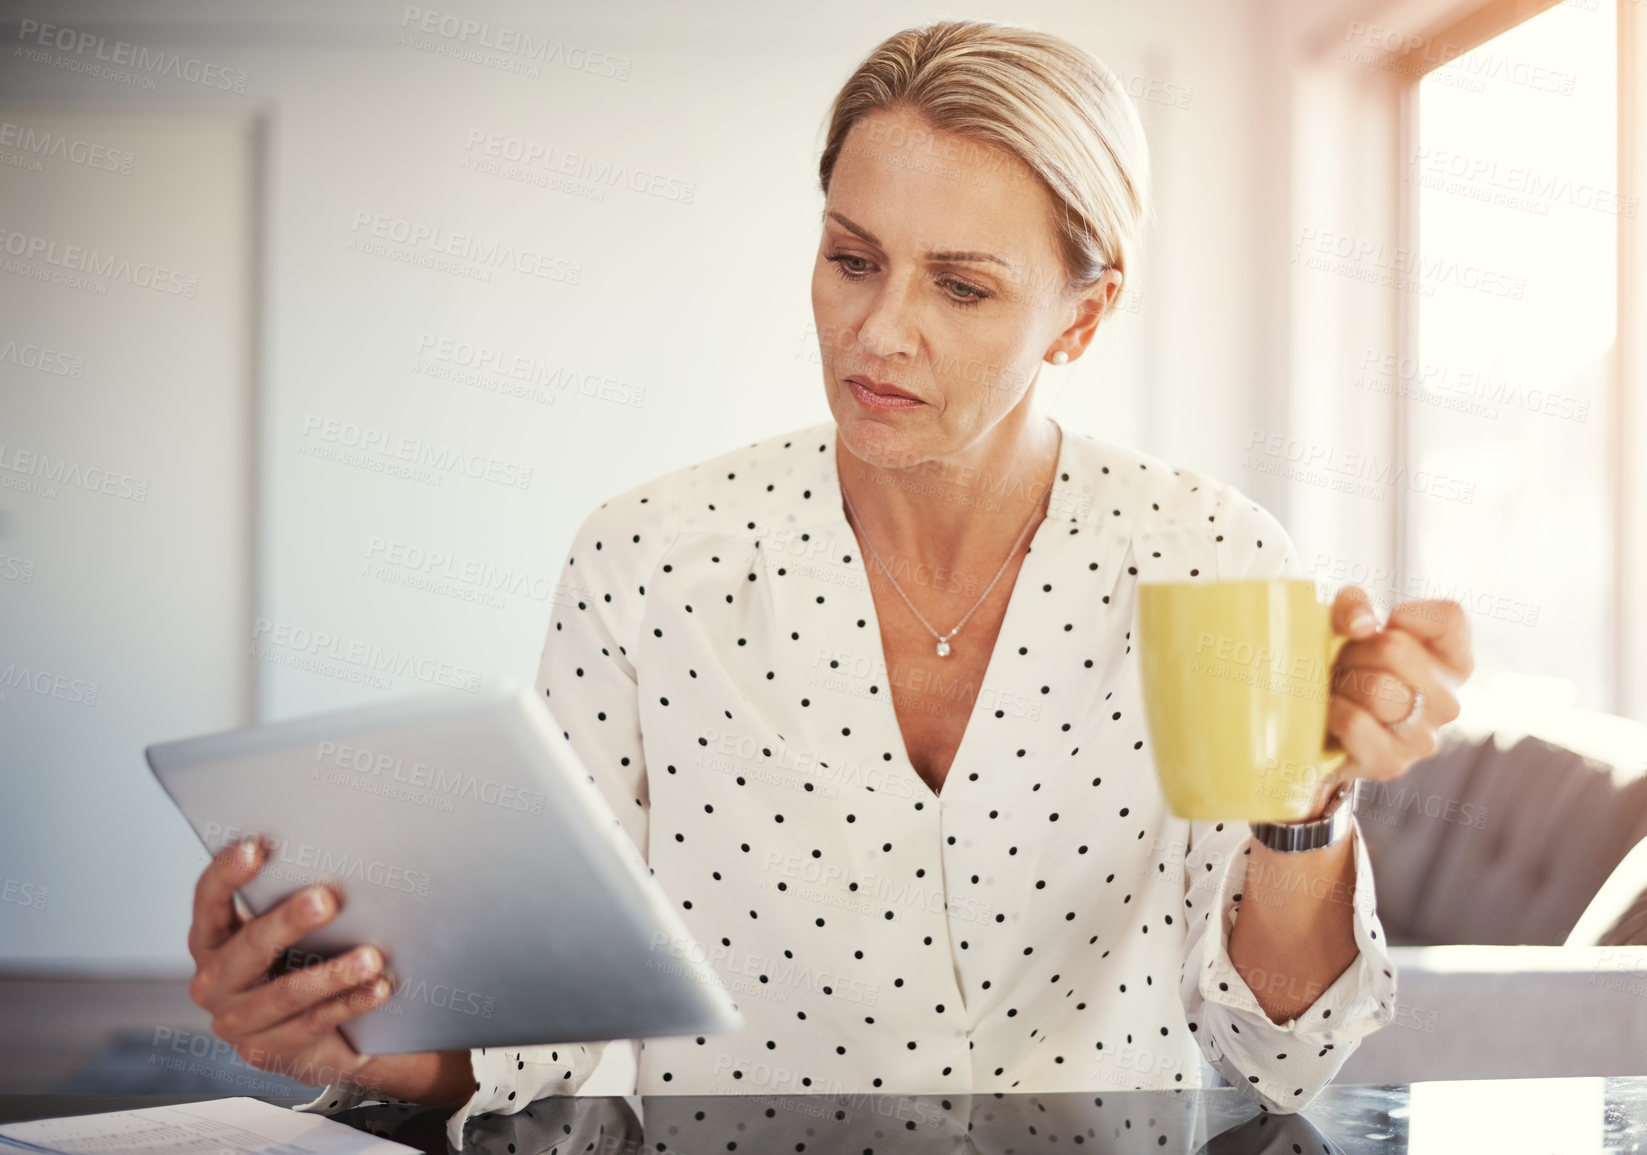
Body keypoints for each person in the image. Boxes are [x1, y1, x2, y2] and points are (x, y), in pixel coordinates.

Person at [184, 19, 1473, 1152]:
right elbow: (557, 1039)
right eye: (853, 259)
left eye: (963, 286)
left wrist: (1300, 808)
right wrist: (345, 1045)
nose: (880, 331)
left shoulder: (1213, 559)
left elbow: (1282, 1059)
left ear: (1082, 317)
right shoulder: (649, 561)